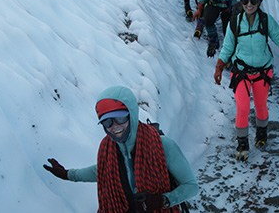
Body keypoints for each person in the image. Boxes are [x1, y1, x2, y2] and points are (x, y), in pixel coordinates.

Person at [43, 85, 199, 212]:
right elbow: (100, 171)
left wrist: (163, 200)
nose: (115, 127)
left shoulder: (163, 145)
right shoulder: (108, 149)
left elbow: (191, 186)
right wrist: (68, 174)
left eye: (120, 118)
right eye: (107, 122)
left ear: (131, 114)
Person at [213, 0, 279, 161]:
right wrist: (219, 66)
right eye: (245, 1)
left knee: (261, 106)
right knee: (243, 107)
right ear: (241, 2)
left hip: (262, 72)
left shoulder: (266, 21)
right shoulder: (235, 23)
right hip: (241, 72)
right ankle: (242, 143)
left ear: (259, 2)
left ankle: (261, 134)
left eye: (253, 1)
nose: (249, 5)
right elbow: (228, 47)